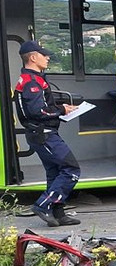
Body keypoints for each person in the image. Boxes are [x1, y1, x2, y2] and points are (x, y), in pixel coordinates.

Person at [13, 40, 81, 227]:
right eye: (44, 54)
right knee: (71, 170)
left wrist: (62, 107)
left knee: (55, 172)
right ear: (33, 58)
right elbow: (37, 112)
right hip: (44, 134)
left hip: (43, 133)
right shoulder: (31, 82)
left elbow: (42, 107)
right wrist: (62, 111)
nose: (48, 57)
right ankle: (43, 205)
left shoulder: (32, 78)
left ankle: (58, 214)